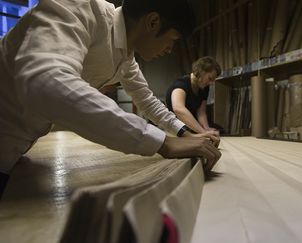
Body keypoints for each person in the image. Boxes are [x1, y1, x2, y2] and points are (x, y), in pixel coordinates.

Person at [0, 0, 221, 198]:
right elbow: (46, 82)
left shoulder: (125, 57)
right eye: (172, 40)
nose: (169, 49)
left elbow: (148, 101)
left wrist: (185, 133)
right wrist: (164, 143)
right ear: (153, 22)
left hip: (13, 149)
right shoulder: (78, 8)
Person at [166, 56, 221, 135]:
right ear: (201, 71)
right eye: (210, 78)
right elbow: (178, 109)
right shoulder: (181, 84)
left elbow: (201, 112)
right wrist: (203, 132)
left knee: (218, 130)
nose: (211, 83)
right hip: (176, 124)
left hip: (192, 123)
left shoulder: (204, 88)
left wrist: (206, 128)